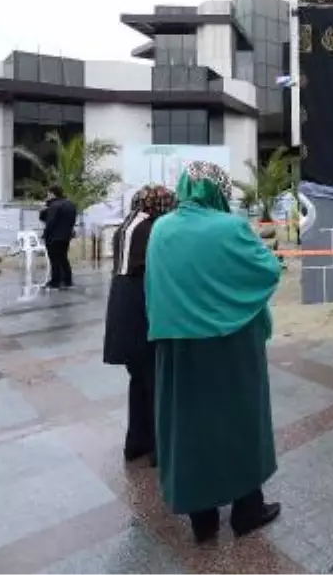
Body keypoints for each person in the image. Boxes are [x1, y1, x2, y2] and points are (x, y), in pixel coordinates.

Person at [146, 161, 283, 543]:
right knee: (238, 421)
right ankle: (246, 509)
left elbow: (153, 287)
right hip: (231, 343)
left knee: (189, 427)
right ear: (220, 191)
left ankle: (201, 518)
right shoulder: (231, 227)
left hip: (178, 347)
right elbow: (268, 271)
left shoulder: (161, 229)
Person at [103, 185, 175, 466]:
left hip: (122, 305)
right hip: (142, 304)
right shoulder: (154, 228)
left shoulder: (128, 224)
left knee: (139, 379)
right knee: (155, 380)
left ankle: (136, 442)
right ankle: (160, 448)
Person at [39, 184, 77, 289]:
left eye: (48, 194)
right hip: (66, 236)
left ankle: (55, 281)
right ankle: (67, 280)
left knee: (54, 260)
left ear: (52, 193)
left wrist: (45, 234)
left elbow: (50, 222)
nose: (47, 196)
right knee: (63, 258)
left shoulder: (54, 205)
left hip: (54, 237)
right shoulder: (70, 204)